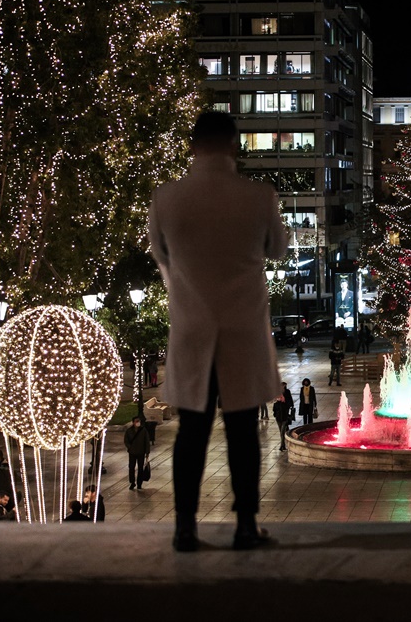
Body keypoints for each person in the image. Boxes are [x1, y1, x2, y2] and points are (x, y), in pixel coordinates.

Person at [148, 110, 287, 552]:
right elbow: (279, 250)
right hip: (243, 328)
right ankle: (246, 526)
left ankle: (184, 529)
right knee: (244, 432)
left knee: (192, 432)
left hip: (191, 328)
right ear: (234, 145)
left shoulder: (166, 198)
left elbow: (161, 255)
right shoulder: (259, 196)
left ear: (192, 147)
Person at [123, 416, 150, 491]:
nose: (137, 422)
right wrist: (130, 447)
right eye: (136, 421)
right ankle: (132, 482)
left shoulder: (143, 430)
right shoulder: (129, 431)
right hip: (132, 452)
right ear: (133, 422)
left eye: (139, 421)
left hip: (141, 452)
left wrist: (147, 452)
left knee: (140, 468)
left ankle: (139, 483)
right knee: (131, 467)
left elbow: (147, 441)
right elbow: (126, 441)